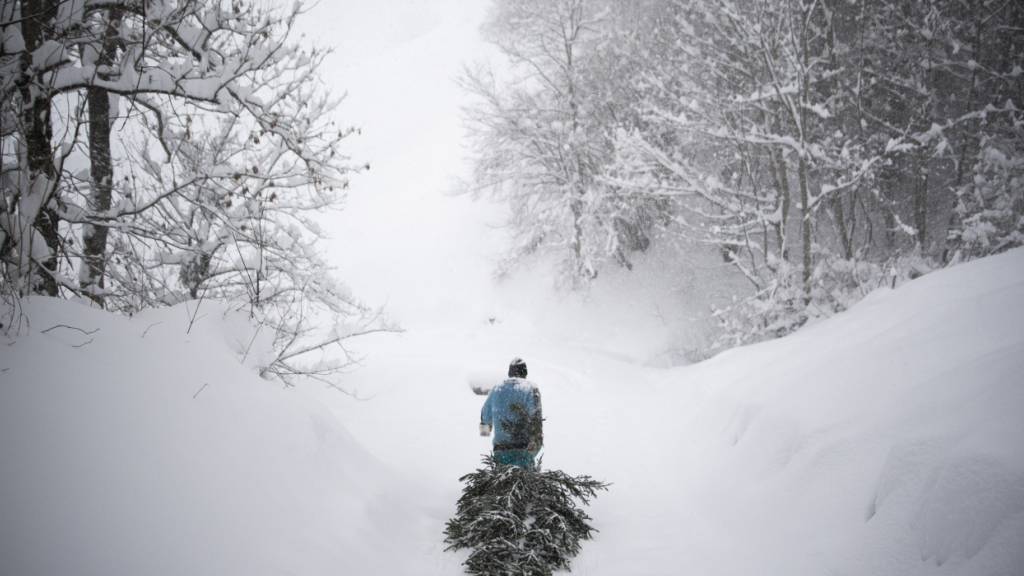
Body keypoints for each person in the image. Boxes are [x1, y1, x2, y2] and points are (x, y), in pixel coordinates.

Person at [480, 357, 543, 469]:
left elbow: (485, 415)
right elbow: (536, 421)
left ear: (510, 372)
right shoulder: (531, 389)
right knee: (525, 484)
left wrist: (485, 432)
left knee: (502, 481)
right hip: (524, 449)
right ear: (525, 373)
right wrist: (535, 447)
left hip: (501, 449)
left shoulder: (496, 389)